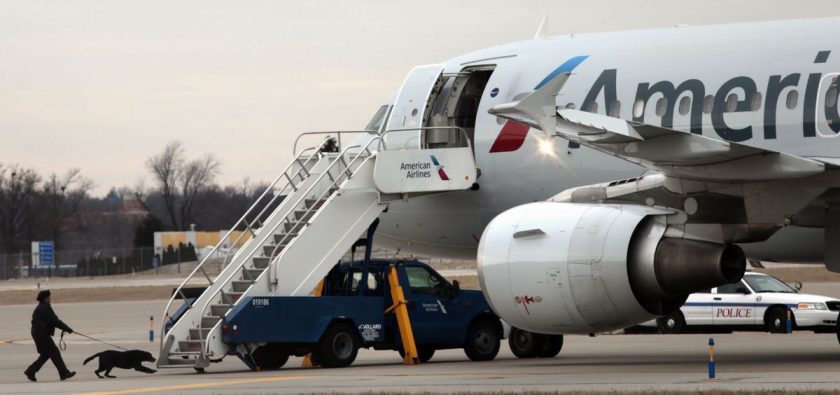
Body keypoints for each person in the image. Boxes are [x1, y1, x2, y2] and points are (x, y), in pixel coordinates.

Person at [24, 290, 75, 382]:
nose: (50, 298)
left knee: (46, 354)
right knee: (54, 352)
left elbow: (53, 321)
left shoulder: (42, 307)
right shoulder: (44, 308)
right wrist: (67, 328)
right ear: (45, 298)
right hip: (41, 334)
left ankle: (30, 371)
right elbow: (54, 321)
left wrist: (66, 328)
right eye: (48, 297)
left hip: (38, 333)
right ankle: (64, 373)